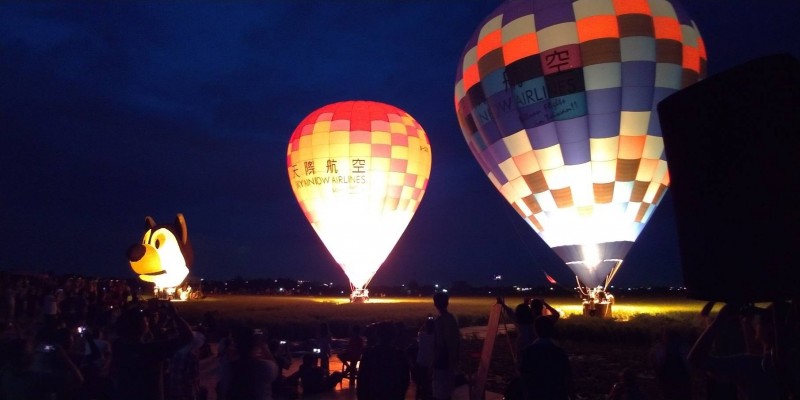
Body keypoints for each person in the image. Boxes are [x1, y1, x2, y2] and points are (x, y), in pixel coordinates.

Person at [687, 302, 787, 399]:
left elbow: (696, 359)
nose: (756, 324)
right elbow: (755, 353)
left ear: (765, 329)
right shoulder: (788, 364)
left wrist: (720, 319)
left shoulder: (750, 366)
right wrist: (746, 323)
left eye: (760, 321)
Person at [110, 300, 193, 400]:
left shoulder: (118, 346)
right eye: (145, 320)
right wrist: (174, 315)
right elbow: (187, 336)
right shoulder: (151, 350)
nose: (148, 321)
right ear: (139, 326)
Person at [518, 315, 573, 400]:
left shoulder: (528, 352)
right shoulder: (559, 352)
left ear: (535, 330)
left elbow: (524, 377)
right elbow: (567, 377)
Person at [219, 327, 279, 400]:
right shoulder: (264, 366)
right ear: (255, 345)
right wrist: (264, 347)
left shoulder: (227, 365)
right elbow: (275, 369)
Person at [357, 321, 410, 400]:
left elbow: (362, 380)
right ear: (394, 336)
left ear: (377, 335)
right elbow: (405, 380)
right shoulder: (399, 355)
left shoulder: (368, 354)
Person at [432, 292, 459, 400]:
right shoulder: (452, 318)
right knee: (448, 390)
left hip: (442, 359)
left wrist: (433, 362)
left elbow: (440, 344)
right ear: (447, 303)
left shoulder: (439, 320)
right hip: (452, 358)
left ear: (435, 304)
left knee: (439, 390)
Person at [649, 328, 691, 399]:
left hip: (669, 383)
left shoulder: (658, 350)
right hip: (680, 382)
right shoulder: (683, 349)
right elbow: (689, 366)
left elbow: (655, 365)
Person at [414, 317, 436, 400]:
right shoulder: (436, 338)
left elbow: (419, 332)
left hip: (421, 363)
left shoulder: (422, 336)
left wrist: (423, 325)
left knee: (421, 383)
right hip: (431, 364)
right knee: (429, 384)